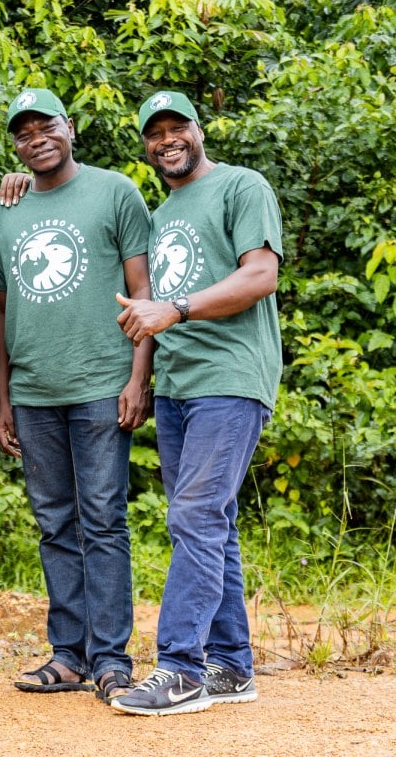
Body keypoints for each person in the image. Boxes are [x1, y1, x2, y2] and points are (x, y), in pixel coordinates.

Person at [112, 90, 282, 715]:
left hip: (230, 377)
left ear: (198, 129)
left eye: (176, 127)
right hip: (179, 386)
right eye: (154, 133)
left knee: (196, 514)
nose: (167, 140)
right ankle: (231, 666)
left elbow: (260, 275)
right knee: (213, 522)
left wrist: (176, 310)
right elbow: (151, 309)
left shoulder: (241, 185)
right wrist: (144, 378)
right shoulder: (160, 214)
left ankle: (180, 668)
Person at [0, 88, 153, 702]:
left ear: (71, 127)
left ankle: (110, 658)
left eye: (46, 126)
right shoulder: (3, 212)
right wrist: (5, 399)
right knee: (55, 523)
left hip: (101, 386)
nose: (37, 139)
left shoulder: (115, 192)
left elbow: (143, 293)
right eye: (24, 133)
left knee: (103, 519)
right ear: (16, 146)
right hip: (34, 392)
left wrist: (138, 378)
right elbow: (0, 310)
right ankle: (68, 655)